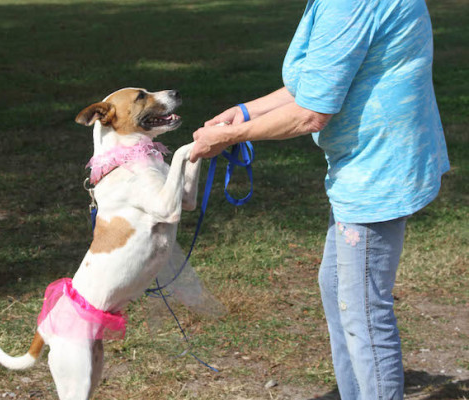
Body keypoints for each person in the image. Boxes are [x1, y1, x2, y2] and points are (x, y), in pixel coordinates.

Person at [190, 0, 450, 399]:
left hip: (376, 169)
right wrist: (244, 111)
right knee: (337, 288)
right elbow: (317, 79)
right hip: (371, 162)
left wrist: (228, 137)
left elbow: (311, 112)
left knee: (363, 309)